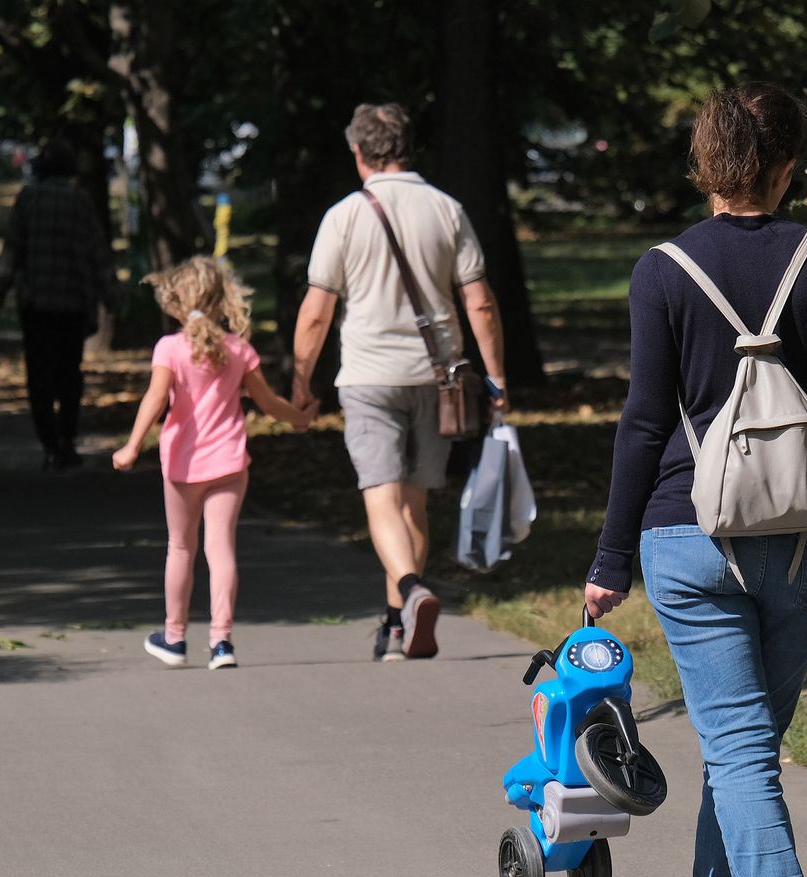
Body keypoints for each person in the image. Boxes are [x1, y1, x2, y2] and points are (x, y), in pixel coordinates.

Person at [582, 83, 807, 877]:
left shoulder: (664, 270)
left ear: (706, 162)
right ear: (790, 165)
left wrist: (612, 558)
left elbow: (645, 422)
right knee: (746, 749)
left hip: (689, 538)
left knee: (740, 753)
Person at [290, 102, 509, 663]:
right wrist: (497, 377)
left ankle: (410, 592)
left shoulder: (344, 216)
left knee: (380, 495)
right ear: (408, 148)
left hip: (368, 375)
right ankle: (394, 627)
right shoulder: (446, 209)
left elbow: (316, 313)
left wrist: (300, 380)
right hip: (439, 378)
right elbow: (479, 302)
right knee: (414, 502)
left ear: (358, 152)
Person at [112, 257, 314, 670]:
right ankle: (222, 644)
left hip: (183, 465)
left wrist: (132, 446)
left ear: (176, 301)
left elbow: (155, 399)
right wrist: (301, 418)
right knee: (221, 548)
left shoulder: (170, 348)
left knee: (181, 547)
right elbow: (268, 402)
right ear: (223, 298)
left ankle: (174, 637)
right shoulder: (239, 350)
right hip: (229, 464)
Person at [0, 140, 117, 472]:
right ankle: (67, 439)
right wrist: (109, 295)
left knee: (39, 374)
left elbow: (12, 249)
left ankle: (48, 442)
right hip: (73, 303)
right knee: (69, 373)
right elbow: (97, 252)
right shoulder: (81, 203)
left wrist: (0, 288)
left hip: (36, 303)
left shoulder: (27, 200)